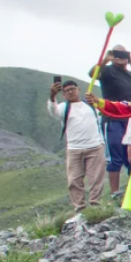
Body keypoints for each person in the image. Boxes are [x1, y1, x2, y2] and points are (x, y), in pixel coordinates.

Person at [89, 45, 131, 198]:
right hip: (112, 118)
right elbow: (92, 74)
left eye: (124, 53)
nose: (120, 57)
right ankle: (115, 192)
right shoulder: (107, 71)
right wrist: (106, 59)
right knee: (115, 154)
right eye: (117, 53)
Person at [48, 80, 105, 211]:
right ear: (63, 95)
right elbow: (53, 111)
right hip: (74, 148)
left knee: (96, 178)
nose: (70, 92)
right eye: (66, 91)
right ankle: (79, 207)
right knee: (74, 180)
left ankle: (95, 205)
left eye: (72, 89)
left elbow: (102, 115)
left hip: (95, 146)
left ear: (78, 90)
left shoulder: (90, 105)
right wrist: (52, 96)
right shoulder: (63, 107)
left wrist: (102, 141)